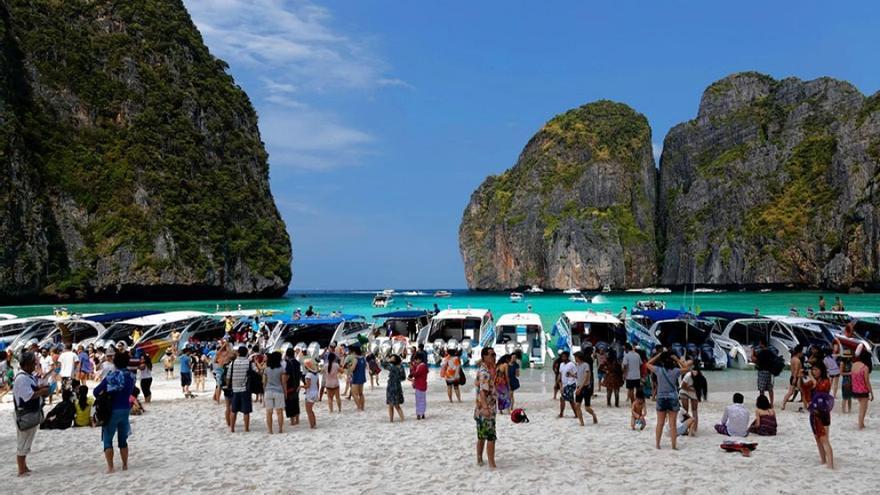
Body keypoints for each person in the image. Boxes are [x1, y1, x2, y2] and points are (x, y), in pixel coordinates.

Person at [94, 351, 135, 473]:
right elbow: (131, 390)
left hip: (112, 409)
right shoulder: (131, 376)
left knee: (107, 439)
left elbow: (96, 392)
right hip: (126, 409)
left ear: (115, 362)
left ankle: (111, 467)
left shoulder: (112, 376)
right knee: (123, 439)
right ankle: (125, 465)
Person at [13, 351, 50, 477]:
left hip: (29, 412)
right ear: (27, 364)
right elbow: (28, 396)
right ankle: (21, 469)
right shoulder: (22, 378)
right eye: (33, 363)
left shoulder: (26, 376)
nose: (35, 365)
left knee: (27, 441)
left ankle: (24, 467)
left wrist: (41, 389)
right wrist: (42, 391)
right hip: (25, 413)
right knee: (23, 442)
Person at [645, 349, 687, 450]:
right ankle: (673, 446)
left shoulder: (658, 370)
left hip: (661, 397)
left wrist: (658, 355)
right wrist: (677, 360)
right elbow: (686, 368)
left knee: (660, 423)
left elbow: (647, 364)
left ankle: (658, 445)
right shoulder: (675, 371)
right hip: (672, 397)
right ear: (672, 361)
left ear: (662, 361)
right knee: (673, 424)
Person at [803, 361, 834, 469]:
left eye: (816, 370)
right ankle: (823, 460)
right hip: (813, 413)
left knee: (824, 439)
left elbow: (821, 389)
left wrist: (811, 378)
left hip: (823, 413)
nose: (814, 372)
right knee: (817, 438)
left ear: (822, 370)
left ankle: (830, 464)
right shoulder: (813, 382)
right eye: (813, 370)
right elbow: (803, 387)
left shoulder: (826, 381)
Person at [474, 347, 498, 468]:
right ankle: (491, 463)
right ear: (484, 357)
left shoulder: (484, 369)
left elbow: (476, 383)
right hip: (485, 408)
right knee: (490, 436)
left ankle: (479, 459)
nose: (494, 357)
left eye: (494, 354)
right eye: (491, 355)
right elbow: (483, 391)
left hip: (481, 409)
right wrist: (486, 408)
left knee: (482, 435)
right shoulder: (485, 372)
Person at [227, 346, 253, 433]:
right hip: (245, 389)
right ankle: (246, 428)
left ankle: (232, 428)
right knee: (246, 411)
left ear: (238, 353)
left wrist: (228, 385)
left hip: (235, 389)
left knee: (234, 410)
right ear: (246, 353)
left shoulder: (233, 363)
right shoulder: (248, 363)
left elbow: (228, 377)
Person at [262, 351, 287, 434]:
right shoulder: (281, 369)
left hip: (268, 391)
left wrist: (264, 391)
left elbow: (264, 382)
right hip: (278, 391)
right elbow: (283, 382)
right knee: (279, 412)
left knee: (269, 412)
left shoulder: (266, 369)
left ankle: (270, 430)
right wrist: (285, 393)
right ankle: (280, 429)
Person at [557, 351, 583, 425]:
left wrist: (571, 375)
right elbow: (560, 374)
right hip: (564, 384)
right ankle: (569, 413)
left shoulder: (572, 365)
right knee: (566, 399)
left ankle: (572, 414)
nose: (563, 358)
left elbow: (577, 375)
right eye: (562, 357)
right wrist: (559, 383)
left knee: (566, 399)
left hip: (571, 383)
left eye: (564, 357)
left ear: (567, 357)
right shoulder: (561, 364)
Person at [679, 364, 706, 435]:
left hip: (694, 393)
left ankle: (694, 428)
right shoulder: (688, 375)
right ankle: (684, 428)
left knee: (694, 410)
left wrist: (694, 390)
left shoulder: (701, 377)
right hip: (684, 392)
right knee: (685, 410)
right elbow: (682, 386)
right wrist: (692, 389)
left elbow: (702, 388)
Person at [850, 350, 873, 429]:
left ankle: (862, 423)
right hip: (863, 390)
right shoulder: (865, 367)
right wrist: (871, 392)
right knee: (863, 409)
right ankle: (860, 424)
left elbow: (852, 378)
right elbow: (867, 381)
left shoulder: (853, 365)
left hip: (855, 390)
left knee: (861, 407)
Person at [574, 351, 598, 424]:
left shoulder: (586, 365)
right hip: (579, 387)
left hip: (586, 387)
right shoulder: (577, 366)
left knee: (587, 408)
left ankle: (594, 415)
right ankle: (582, 423)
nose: (575, 358)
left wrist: (580, 389)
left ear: (579, 357)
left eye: (575, 357)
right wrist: (571, 375)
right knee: (577, 405)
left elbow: (585, 378)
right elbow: (578, 377)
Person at [383, 354, 406, 422]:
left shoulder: (394, 367)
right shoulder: (399, 366)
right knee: (393, 405)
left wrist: (395, 378)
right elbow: (403, 377)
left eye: (392, 358)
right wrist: (397, 378)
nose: (391, 359)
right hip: (394, 386)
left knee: (395, 405)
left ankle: (398, 420)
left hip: (393, 386)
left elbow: (384, 364)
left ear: (395, 359)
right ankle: (396, 420)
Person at [752, 339, 775, 407]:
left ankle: (762, 403)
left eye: (760, 343)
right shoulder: (770, 352)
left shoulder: (761, 353)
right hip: (769, 372)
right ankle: (771, 402)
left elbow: (756, 361)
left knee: (762, 389)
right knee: (770, 388)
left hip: (762, 371)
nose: (759, 345)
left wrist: (753, 353)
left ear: (762, 344)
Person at [781, 345, 804, 410]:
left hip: (792, 376)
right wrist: (795, 378)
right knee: (803, 391)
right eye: (801, 352)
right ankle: (806, 405)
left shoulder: (792, 359)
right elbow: (796, 370)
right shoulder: (797, 360)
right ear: (799, 353)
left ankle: (783, 404)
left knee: (790, 392)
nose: (802, 354)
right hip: (797, 377)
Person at [284, 348, 302, 426]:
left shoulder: (288, 363)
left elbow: (287, 375)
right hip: (296, 384)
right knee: (296, 402)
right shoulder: (297, 363)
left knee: (290, 403)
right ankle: (297, 420)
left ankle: (292, 421)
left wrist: (284, 382)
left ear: (287, 354)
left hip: (290, 385)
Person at [410, 353, 428, 419]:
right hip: (423, 385)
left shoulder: (421, 366)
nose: (415, 361)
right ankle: (422, 413)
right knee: (423, 400)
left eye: (416, 360)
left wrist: (412, 369)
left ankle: (419, 414)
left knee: (418, 400)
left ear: (419, 359)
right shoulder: (423, 366)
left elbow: (416, 374)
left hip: (419, 385)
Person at [303, 358, 319, 428]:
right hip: (315, 392)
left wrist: (300, 386)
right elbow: (318, 385)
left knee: (308, 411)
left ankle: (312, 425)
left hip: (310, 393)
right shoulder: (316, 374)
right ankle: (314, 424)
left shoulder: (308, 375)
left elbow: (308, 386)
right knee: (311, 410)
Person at [350, 345, 367, 411]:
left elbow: (352, 369)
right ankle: (362, 408)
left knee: (354, 394)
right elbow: (365, 366)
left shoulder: (355, 359)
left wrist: (350, 367)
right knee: (361, 393)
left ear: (354, 352)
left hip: (356, 377)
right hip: (362, 377)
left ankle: (359, 407)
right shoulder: (363, 358)